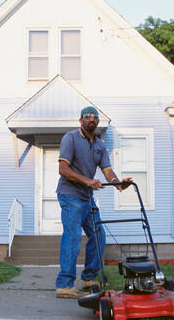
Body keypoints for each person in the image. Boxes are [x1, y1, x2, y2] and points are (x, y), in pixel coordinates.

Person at [55, 106, 131, 298]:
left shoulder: (99, 145)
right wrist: (88, 180)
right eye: (87, 116)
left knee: (98, 235)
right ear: (80, 121)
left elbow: (107, 170)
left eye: (95, 117)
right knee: (72, 237)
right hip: (70, 194)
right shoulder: (70, 138)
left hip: (87, 197)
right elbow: (63, 169)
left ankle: (89, 278)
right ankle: (65, 285)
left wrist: (117, 183)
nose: (91, 119)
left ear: (98, 122)